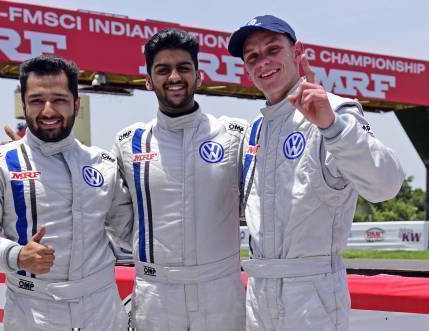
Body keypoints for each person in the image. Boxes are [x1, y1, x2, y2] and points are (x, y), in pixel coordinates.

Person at [227, 15, 405, 330]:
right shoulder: (254, 130)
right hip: (259, 294)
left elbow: (386, 185)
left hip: (312, 298)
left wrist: (331, 127)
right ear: (247, 69)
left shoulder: (334, 111)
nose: (263, 62)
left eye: (272, 50)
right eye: (253, 57)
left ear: (297, 52)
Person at [0, 55, 132, 331]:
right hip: (33, 308)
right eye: (37, 100)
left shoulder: (103, 162)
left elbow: (130, 231)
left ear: (76, 104)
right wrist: (16, 255)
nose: (48, 111)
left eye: (59, 99)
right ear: (23, 104)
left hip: (102, 308)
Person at [112, 28, 247, 330]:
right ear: (148, 80)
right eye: (163, 70)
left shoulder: (234, 134)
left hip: (221, 290)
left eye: (184, 68)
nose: (174, 77)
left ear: (199, 76)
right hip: (155, 293)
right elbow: (112, 210)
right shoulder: (129, 141)